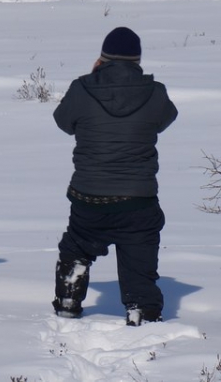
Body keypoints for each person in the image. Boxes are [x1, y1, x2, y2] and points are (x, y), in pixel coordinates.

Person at [52, 26, 178, 326]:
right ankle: (142, 312)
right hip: (138, 198)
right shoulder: (155, 92)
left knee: (77, 247)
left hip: (88, 195)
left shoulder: (82, 88)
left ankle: (69, 300)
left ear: (102, 58)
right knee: (139, 260)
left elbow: (63, 122)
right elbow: (165, 119)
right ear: (137, 60)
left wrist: (92, 79)